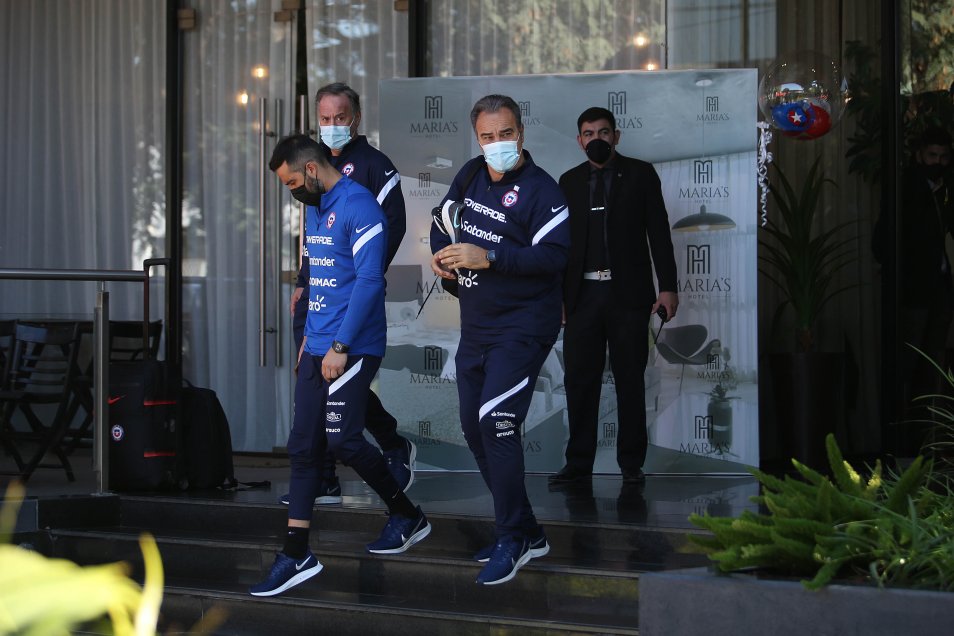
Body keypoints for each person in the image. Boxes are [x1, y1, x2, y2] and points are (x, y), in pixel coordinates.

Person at [252, 134, 429, 597]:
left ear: (310, 170)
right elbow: (322, 276)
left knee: (343, 438)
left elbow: (370, 281)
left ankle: (406, 514)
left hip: (354, 344)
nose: (291, 191)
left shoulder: (361, 206)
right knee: (303, 445)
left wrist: (339, 344)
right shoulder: (313, 207)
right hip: (317, 343)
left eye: (291, 181)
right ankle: (295, 553)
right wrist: (309, 335)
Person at [430, 94, 570, 585]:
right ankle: (528, 531)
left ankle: (510, 538)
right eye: (487, 137)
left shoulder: (543, 191)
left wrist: (489, 256)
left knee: (497, 420)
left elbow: (554, 258)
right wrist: (442, 257)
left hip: (525, 325)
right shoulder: (469, 174)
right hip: (478, 325)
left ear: (521, 133)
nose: (496, 145)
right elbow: (440, 221)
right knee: (473, 425)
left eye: (504, 134)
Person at [282, 82, 414, 507]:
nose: (333, 126)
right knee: (314, 383)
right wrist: (304, 281)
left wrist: (362, 278)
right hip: (315, 293)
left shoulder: (375, 166)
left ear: (355, 118)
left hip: (352, 293)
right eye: (325, 119)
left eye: (340, 118)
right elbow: (314, 237)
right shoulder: (311, 166)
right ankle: (321, 480)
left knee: (342, 378)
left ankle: (392, 444)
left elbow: (392, 226)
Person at [549, 106, 678, 486]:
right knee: (579, 381)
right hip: (580, 297)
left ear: (616, 137)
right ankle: (578, 464)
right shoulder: (568, 181)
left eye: (603, 132)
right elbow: (559, 244)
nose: (596, 139)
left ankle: (631, 465)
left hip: (629, 296)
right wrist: (557, 295)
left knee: (630, 380)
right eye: (588, 134)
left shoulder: (640, 174)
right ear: (579, 141)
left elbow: (659, 232)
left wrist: (668, 287)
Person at [873, 125, 954, 453]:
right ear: (919, 154)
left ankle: (922, 442)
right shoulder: (906, 188)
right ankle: (902, 443)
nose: (938, 162)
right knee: (908, 363)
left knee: (931, 366)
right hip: (914, 290)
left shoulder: (944, 188)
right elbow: (883, 242)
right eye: (932, 155)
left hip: (939, 288)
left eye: (943, 157)